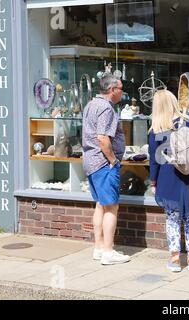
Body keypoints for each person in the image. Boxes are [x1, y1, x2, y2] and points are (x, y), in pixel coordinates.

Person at [148, 90, 189, 272]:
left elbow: (154, 159)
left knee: (172, 219)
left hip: (169, 177)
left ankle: (175, 259)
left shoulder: (156, 129)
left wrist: (153, 182)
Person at [82, 74, 130, 265]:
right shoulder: (106, 108)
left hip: (91, 161)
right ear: (112, 90)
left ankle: (99, 248)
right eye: (120, 88)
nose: (122, 92)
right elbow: (103, 138)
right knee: (111, 206)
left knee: (101, 204)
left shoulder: (91, 104)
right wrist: (112, 160)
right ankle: (108, 252)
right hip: (102, 163)